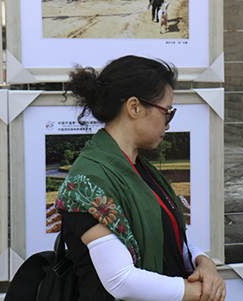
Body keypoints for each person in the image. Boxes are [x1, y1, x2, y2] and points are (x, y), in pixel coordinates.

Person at [55, 55, 226, 301]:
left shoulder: (140, 168)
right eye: (166, 112)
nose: (168, 124)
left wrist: (204, 262)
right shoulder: (87, 182)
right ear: (134, 107)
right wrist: (200, 293)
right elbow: (120, 279)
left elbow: (170, 237)